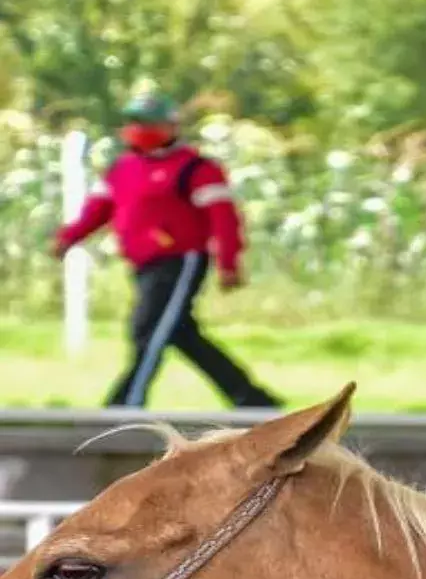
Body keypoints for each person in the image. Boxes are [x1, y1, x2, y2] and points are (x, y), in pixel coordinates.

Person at [51, 92, 280, 410]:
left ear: (171, 126)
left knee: (148, 328)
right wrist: (68, 238)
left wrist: (229, 262)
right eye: (134, 123)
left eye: (148, 123)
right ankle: (251, 398)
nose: (139, 129)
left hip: (180, 261)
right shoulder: (123, 169)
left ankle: (126, 402)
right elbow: (98, 210)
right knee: (180, 333)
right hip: (143, 264)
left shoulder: (195, 169)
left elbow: (224, 219)